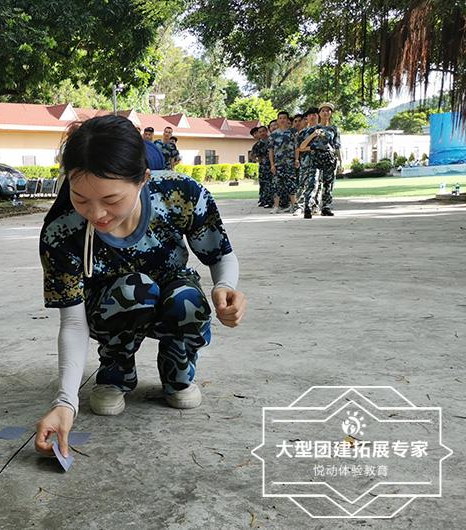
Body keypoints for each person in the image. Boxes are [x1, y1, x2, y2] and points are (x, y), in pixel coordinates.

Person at [34, 115, 246, 457]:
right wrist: (66, 402)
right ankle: (116, 370)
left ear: (144, 179)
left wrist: (225, 284)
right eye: (81, 198)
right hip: (114, 304)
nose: (97, 213)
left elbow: (222, 255)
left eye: (111, 199)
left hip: (172, 291)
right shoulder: (61, 230)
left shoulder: (181, 194)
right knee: (136, 289)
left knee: (187, 300)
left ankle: (178, 369)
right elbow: (73, 322)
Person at [310, 102, 342, 216]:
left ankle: (326, 206)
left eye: (328, 111)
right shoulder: (314, 128)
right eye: (323, 110)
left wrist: (340, 162)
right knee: (315, 182)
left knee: (328, 183)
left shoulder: (334, 129)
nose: (325, 113)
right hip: (316, 157)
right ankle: (313, 205)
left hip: (329, 157)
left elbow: (337, 146)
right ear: (319, 113)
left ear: (331, 114)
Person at [268, 111, 299, 213]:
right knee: (276, 185)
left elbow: (296, 148)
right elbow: (271, 150)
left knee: (291, 184)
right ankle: (276, 207)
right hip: (278, 164)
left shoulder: (293, 132)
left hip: (290, 163)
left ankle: (294, 206)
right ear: (277, 120)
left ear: (287, 120)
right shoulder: (273, 134)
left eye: (284, 118)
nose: (282, 120)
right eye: (280, 118)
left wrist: (296, 159)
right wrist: (272, 164)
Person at [295, 108, 321, 218]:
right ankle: (300, 207)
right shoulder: (303, 133)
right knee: (302, 184)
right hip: (305, 162)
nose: (312, 117)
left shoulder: (323, 130)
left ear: (318, 116)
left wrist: (307, 147)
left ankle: (314, 206)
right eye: (309, 115)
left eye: (314, 114)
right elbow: (299, 148)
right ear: (306, 118)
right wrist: (312, 147)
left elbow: (323, 146)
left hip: (319, 162)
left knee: (316, 184)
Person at [250, 126, 271, 207]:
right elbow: (252, 155)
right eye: (260, 132)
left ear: (267, 131)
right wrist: (258, 160)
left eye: (263, 131)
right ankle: (263, 200)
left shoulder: (272, 140)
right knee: (263, 184)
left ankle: (271, 201)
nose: (262, 133)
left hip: (273, 166)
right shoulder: (258, 144)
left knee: (272, 184)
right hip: (263, 167)